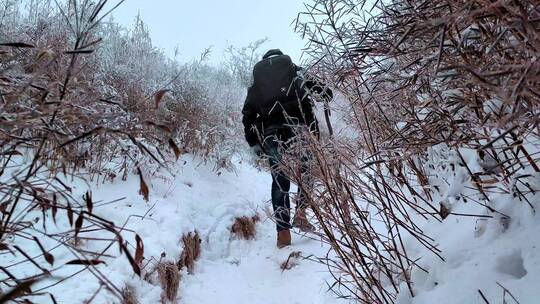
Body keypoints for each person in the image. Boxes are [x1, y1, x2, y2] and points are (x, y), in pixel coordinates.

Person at [241, 49, 333, 249]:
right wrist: (325, 95)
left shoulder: (257, 86)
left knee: (279, 178)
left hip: (272, 134)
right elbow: (322, 91)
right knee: (306, 169)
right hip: (300, 128)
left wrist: (254, 143)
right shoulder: (295, 72)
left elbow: (247, 116)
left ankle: (283, 233)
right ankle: (301, 212)